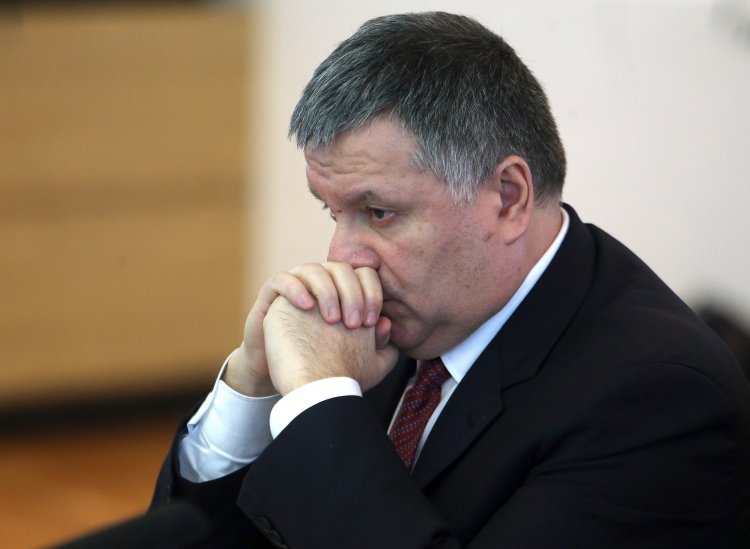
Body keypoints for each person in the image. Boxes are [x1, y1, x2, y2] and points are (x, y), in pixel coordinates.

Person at [152, 11, 750, 548]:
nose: (344, 256)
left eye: (378, 212)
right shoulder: (404, 319)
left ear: (508, 196)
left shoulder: (658, 398)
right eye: (333, 213)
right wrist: (252, 387)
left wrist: (318, 403)